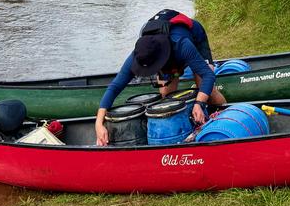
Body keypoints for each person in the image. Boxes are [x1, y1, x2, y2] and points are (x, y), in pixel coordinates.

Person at [95, 10, 227, 145]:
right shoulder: (140, 54)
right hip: (165, 53)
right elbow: (114, 87)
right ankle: (182, 132)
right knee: (166, 95)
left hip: (194, 38)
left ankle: (225, 118)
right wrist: (99, 123)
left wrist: (199, 103)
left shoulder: (181, 44)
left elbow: (208, 76)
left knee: (206, 90)